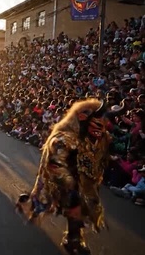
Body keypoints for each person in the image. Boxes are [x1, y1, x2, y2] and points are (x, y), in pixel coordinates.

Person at [16, 98, 116, 255]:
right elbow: (55, 165)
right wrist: (69, 183)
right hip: (61, 179)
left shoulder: (99, 138)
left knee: (81, 209)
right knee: (68, 205)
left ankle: (72, 239)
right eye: (97, 124)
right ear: (83, 118)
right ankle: (73, 240)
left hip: (81, 180)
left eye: (103, 125)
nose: (101, 130)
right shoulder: (65, 138)